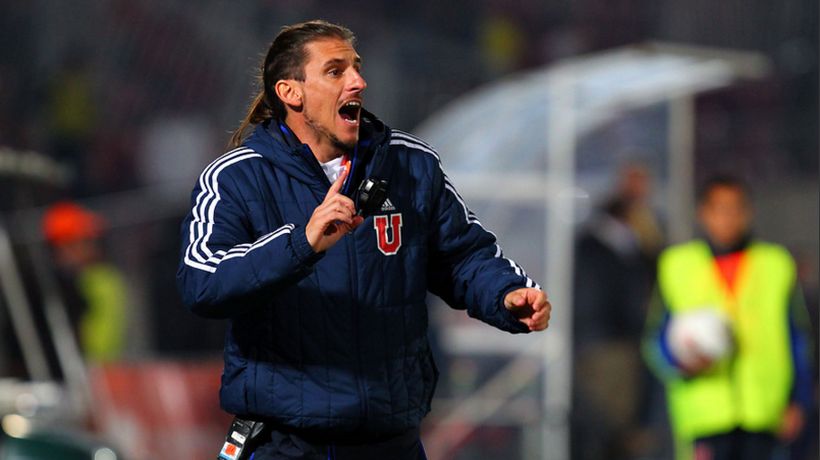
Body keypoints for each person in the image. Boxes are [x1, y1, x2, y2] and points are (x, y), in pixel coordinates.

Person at [175, 20, 550, 460]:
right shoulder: (237, 177)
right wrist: (301, 244)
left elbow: (464, 256)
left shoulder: (410, 165)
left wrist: (506, 293)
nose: (358, 81)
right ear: (291, 92)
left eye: (356, 67)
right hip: (285, 443)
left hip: (390, 440)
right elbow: (203, 281)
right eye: (335, 71)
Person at [643, 175, 813, 460]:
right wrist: (682, 361)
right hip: (705, 416)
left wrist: (799, 400)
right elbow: (655, 339)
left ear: (748, 212)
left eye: (735, 209)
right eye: (720, 209)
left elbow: (798, 338)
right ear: (703, 213)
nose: (728, 218)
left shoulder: (776, 264)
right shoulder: (677, 265)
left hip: (766, 413)